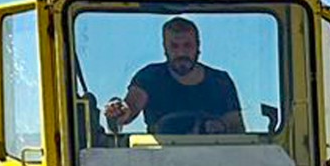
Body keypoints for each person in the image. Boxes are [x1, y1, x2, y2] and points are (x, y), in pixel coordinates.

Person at [104, 17, 244, 137]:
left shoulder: (220, 81)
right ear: (165, 48)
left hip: (216, 159)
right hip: (159, 160)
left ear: (198, 46)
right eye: (174, 46)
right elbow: (131, 106)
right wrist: (119, 110)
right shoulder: (150, 77)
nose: (181, 53)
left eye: (187, 45)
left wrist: (222, 126)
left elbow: (236, 128)